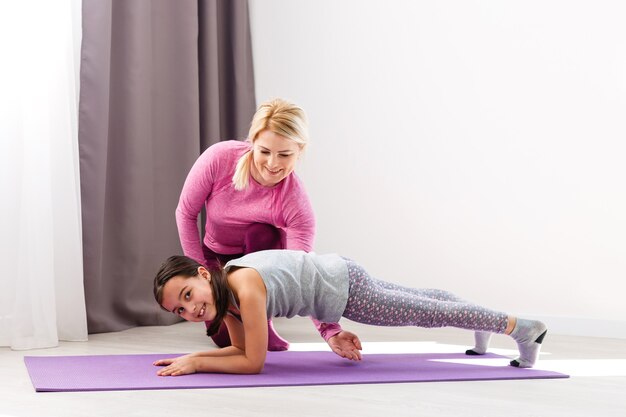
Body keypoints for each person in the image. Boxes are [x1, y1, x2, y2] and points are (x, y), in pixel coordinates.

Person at [152, 251, 548, 376]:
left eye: (188, 294)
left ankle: (520, 327)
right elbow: (241, 352)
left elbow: (253, 362)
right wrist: (194, 357)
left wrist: (198, 365)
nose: (191, 309)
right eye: (180, 310)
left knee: (425, 312)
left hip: (343, 291)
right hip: (339, 273)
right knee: (425, 299)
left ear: (204, 275)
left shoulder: (245, 288)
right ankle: (482, 329)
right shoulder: (229, 302)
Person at [175, 98, 360, 356]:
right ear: (252, 143)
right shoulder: (219, 159)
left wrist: (330, 331)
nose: (273, 164)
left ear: (299, 151)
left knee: (262, 232)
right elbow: (185, 213)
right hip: (216, 257)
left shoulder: (295, 202)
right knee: (225, 340)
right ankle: (250, 318)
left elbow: (305, 274)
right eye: (264, 151)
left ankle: (263, 318)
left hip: (260, 263)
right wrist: (199, 275)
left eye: (285, 154)